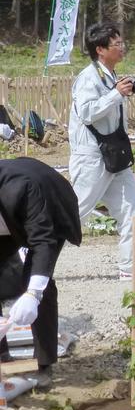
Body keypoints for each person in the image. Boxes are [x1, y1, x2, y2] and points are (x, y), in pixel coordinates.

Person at [70, 22, 135, 281]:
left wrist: (120, 91)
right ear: (100, 49)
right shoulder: (88, 78)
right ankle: (29, 257)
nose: (122, 48)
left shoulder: (111, 76)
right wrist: (115, 95)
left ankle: (132, 268)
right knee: (76, 213)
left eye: (122, 43)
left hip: (115, 155)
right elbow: (86, 112)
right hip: (91, 157)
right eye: (116, 44)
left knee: (134, 212)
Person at [0, 158, 82, 389]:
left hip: (50, 208)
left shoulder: (22, 188)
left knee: (35, 279)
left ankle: (44, 363)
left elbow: (42, 242)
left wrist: (33, 294)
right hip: (7, 221)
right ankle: (2, 356)